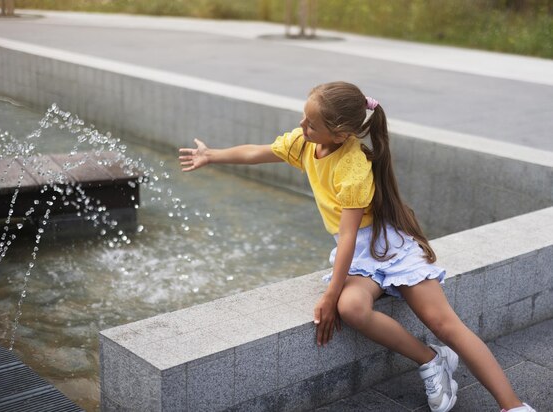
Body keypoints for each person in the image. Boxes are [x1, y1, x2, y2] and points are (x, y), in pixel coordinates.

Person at [178, 81, 535, 412]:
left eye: (311, 123)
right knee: (353, 309)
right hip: (361, 257)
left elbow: (349, 236)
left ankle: (513, 405)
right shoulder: (306, 143)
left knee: (445, 323)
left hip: (387, 247)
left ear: (341, 133)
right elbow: (261, 151)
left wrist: (329, 294)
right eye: (303, 117)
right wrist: (213, 155)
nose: (302, 126)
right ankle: (430, 359)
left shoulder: (353, 167)